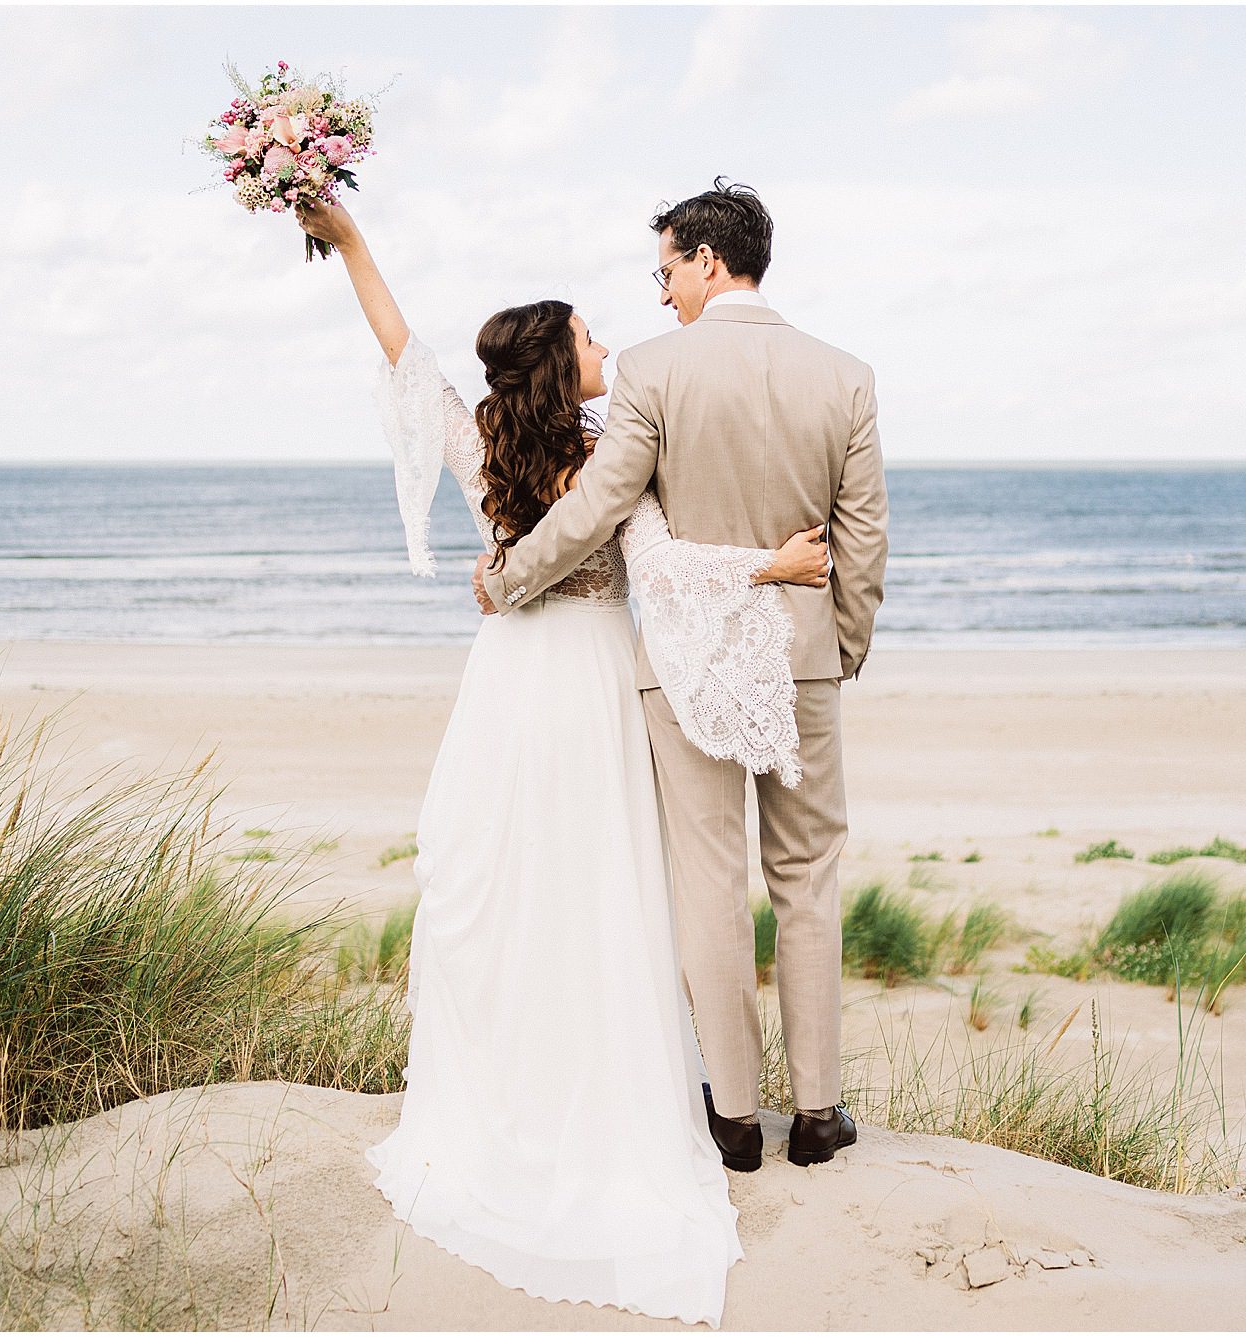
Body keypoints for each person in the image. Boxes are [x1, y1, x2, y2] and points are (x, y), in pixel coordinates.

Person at [293, 197, 831, 1328]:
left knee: (515, 887)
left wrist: (354, 249)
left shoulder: (486, 441)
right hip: (584, 683)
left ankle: (523, 1090)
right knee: (595, 890)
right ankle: (580, 1092)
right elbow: (668, 566)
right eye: (589, 338)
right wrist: (776, 569)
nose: (607, 347)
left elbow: (405, 355)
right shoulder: (605, 454)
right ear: (559, 366)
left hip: (510, 677)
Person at [473, 178, 890, 1173]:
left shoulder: (652, 374)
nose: (659, 296)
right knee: (806, 879)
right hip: (802, 659)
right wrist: (841, 646)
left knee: (708, 884)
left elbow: (596, 509)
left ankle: (735, 1118)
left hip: (683, 669)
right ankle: (818, 1116)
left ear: (707, 259)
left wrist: (509, 574)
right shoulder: (845, 376)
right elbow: (863, 539)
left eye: (665, 270)